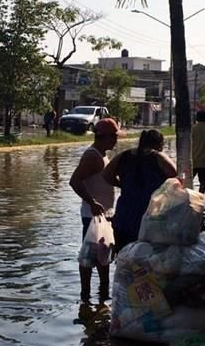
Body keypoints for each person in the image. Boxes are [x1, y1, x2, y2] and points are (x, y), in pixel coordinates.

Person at [70, 118, 120, 304]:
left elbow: (107, 179)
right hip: (92, 216)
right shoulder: (92, 156)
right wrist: (91, 202)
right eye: (114, 137)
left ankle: (102, 294)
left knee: (103, 256)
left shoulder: (102, 155)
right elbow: (74, 181)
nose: (116, 141)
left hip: (103, 216)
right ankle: (86, 296)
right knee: (89, 257)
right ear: (104, 137)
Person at [102, 129, 177, 252]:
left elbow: (106, 175)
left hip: (125, 217)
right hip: (150, 217)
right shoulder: (158, 157)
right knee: (148, 259)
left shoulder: (124, 155)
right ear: (158, 144)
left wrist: (123, 185)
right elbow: (175, 177)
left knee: (125, 257)